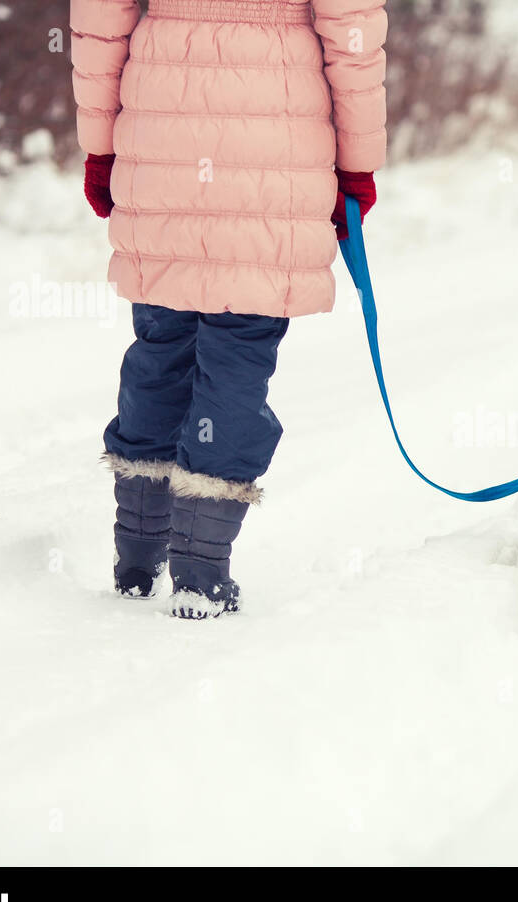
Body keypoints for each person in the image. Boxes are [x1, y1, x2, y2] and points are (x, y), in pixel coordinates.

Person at [70, 0, 386, 618]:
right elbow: (353, 38)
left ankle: (137, 556)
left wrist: (102, 146)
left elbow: (99, 20)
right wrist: (356, 161)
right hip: (276, 132)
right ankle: (201, 569)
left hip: (161, 120)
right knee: (236, 362)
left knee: (160, 346)